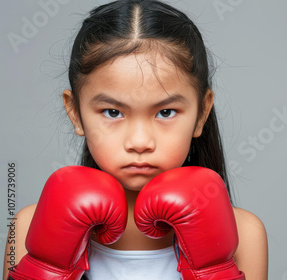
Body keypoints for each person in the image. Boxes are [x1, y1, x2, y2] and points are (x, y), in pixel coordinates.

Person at [2, 0, 268, 279]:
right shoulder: (29, 227)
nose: (140, 142)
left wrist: (213, 269)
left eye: (166, 112)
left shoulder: (243, 234)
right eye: (113, 112)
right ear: (76, 113)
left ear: (201, 113)